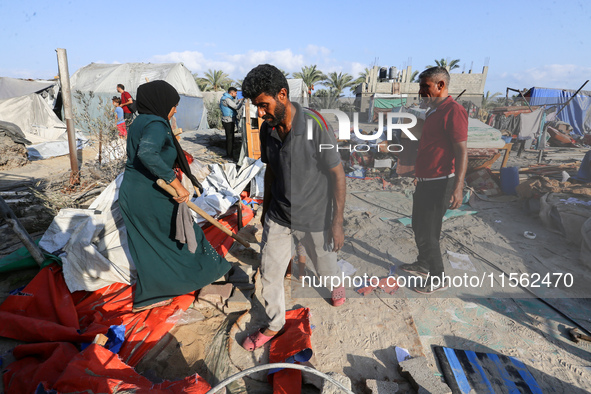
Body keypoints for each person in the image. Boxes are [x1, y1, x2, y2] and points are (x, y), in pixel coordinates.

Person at [239, 64, 346, 351]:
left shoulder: (315, 126)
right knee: (269, 273)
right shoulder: (267, 130)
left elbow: (337, 174)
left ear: (282, 95)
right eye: (257, 107)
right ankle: (274, 323)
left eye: (263, 105)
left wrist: (337, 223)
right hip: (280, 216)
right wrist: (265, 210)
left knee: (325, 268)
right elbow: (271, 171)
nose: (260, 113)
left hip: (315, 218)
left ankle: (335, 284)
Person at [119, 80, 231, 312]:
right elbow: (148, 154)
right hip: (151, 194)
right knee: (184, 233)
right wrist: (177, 185)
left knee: (150, 246)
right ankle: (208, 274)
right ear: (161, 103)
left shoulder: (140, 121)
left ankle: (150, 296)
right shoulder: (156, 124)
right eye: (173, 105)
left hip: (134, 192)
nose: (175, 110)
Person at [399, 67, 468, 294]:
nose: (421, 92)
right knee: (418, 225)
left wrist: (458, 187)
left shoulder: (453, 111)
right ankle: (423, 263)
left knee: (429, 232)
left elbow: (461, 151)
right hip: (426, 180)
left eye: (425, 86)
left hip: (441, 181)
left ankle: (438, 278)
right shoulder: (432, 111)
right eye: (420, 87)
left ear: (440, 85)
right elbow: (426, 137)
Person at [219, 87, 244, 159]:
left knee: (231, 138)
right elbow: (236, 107)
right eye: (236, 93)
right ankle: (229, 155)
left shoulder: (226, 98)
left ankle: (229, 154)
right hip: (228, 121)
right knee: (230, 139)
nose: (236, 95)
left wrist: (239, 100)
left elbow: (233, 104)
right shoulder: (227, 99)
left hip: (228, 120)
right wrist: (241, 102)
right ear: (232, 93)